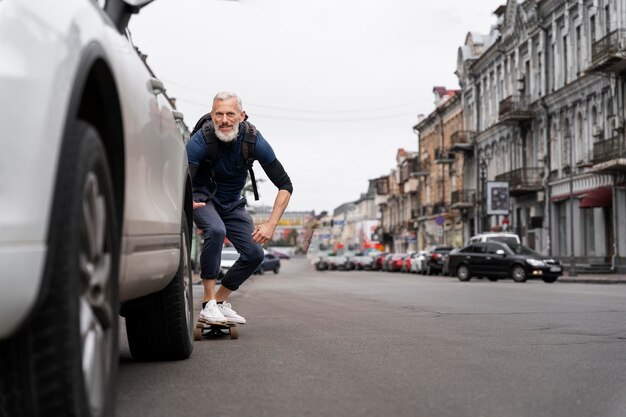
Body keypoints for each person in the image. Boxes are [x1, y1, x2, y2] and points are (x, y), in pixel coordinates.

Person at [186, 91, 292, 325]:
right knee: (216, 231)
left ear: (242, 116)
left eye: (230, 114)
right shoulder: (201, 140)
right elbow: (180, 178)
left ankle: (220, 302)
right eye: (219, 114)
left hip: (233, 202)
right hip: (202, 197)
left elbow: (285, 185)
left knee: (255, 254)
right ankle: (208, 303)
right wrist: (186, 201)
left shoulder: (254, 141)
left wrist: (271, 224)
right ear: (212, 116)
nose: (224, 120)